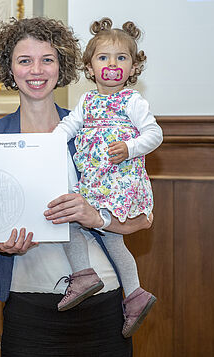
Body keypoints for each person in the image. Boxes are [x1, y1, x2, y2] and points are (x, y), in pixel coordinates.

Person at [0, 17, 153, 357]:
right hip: (27, 307)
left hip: (104, 305)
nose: (36, 70)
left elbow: (142, 219)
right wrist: (0, 241)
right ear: (9, 69)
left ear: (63, 64)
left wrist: (94, 216)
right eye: (25, 60)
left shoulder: (97, 127)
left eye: (47, 59)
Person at [52, 17, 162, 337]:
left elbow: (155, 134)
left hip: (120, 181)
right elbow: (67, 129)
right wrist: (47, 144)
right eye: (103, 57)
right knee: (79, 223)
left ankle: (101, 281)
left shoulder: (132, 101)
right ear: (90, 67)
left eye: (121, 58)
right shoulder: (86, 101)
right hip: (94, 181)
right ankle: (129, 292)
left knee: (106, 234)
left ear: (132, 68)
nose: (112, 64)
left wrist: (129, 147)